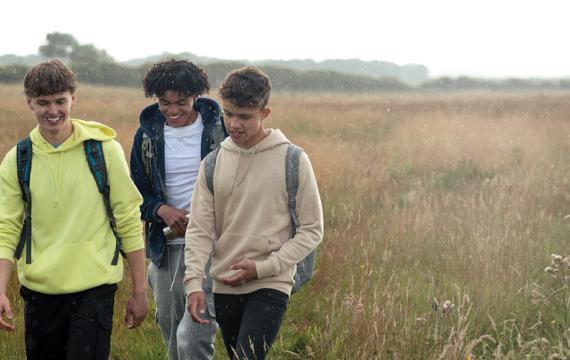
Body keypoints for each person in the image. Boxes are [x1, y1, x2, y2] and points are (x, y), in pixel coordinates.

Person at [0, 59, 148, 359]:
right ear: (29, 102)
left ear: (73, 99)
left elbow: (128, 219)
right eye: (43, 103)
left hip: (95, 289)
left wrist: (140, 291)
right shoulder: (18, 159)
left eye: (60, 101)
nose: (52, 111)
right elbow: (7, 227)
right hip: (40, 294)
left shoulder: (104, 149)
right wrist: (0, 289)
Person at [184, 66, 324, 360]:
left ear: (265, 113)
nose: (234, 124)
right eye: (228, 113)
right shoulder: (212, 164)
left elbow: (312, 229)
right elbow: (199, 229)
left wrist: (264, 268)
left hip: (271, 282)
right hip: (224, 284)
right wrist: (194, 284)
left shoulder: (293, 159)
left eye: (244, 116)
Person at [130, 59, 226, 360]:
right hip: (165, 248)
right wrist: (162, 210)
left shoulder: (220, 132)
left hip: (212, 248)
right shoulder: (146, 137)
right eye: (164, 103)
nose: (172, 110)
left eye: (181, 102)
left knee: (192, 338)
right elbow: (136, 193)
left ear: (196, 96)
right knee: (172, 335)